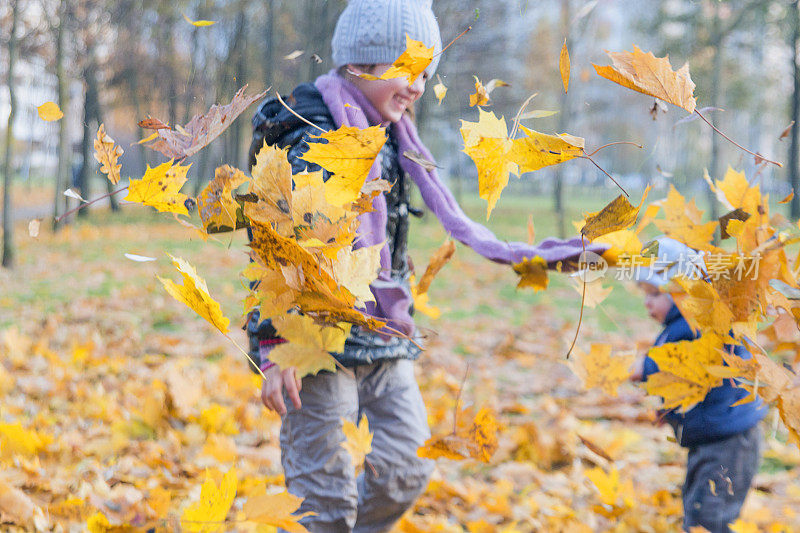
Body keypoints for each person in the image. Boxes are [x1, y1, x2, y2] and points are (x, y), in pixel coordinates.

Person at [246, 1, 602, 530]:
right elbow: (277, 248)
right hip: (313, 337)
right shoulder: (313, 138)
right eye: (405, 69)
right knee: (324, 492)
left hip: (383, 328)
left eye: (424, 72)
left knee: (407, 469)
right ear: (360, 65)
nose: (417, 85)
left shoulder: (395, 135)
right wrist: (276, 346)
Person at [632, 237, 767, 533]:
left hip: (729, 442)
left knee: (710, 517)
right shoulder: (679, 326)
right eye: (644, 293)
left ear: (684, 290)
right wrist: (670, 411)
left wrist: (645, 368)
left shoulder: (700, 324)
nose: (647, 302)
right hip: (712, 438)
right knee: (696, 506)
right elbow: (695, 384)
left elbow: (683, 362)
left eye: (655, 293)